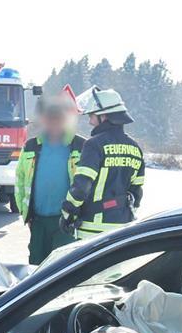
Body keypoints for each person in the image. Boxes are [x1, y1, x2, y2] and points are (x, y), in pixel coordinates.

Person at [60, 87, 144, 240]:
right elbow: (137, 192)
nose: (90, 121)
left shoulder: (94, 145)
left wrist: (67, 213)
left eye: (92, 115)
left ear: (104, 116)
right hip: (123, 229)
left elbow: (81, 187)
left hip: (93, 230)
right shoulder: (135, 147)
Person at [15, 94, 86, 264]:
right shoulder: (31, 146)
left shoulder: (80, 145)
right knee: (35, 267)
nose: (53, 123)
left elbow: (88, 182)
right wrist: (26, 213)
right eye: (49, 118)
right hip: (38, 220)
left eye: (58, 118)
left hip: (67, 221)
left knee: (62, 267)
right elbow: (20, 180)